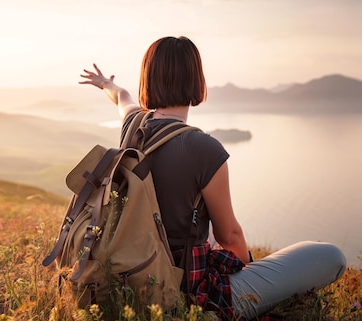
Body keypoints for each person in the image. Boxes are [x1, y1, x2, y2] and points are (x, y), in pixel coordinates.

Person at [79, 36, 346, 320]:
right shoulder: (204, 149)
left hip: (130, 276)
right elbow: (229, 236)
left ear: (147, 79)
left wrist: (105, 84)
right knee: (330, 256)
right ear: (196, 80)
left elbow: (122, 98)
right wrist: (243, 271)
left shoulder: (133, 125)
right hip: (185, 295)